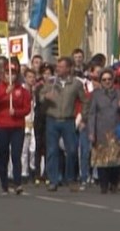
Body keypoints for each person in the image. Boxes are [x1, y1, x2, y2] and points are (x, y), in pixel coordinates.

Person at [38, 57, 88, 192]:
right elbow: (40, 95)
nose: (58, 69)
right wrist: (45, 97)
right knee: (52, 151)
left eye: (61, 66)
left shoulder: (76, 84)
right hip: (52, 119)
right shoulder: (51, 82)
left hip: (68, 120)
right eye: (57, 66)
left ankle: (70, 178)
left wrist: (83, 117)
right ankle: (53, 180)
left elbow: (84, 101)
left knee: (72, 150)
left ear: (68, 68)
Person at [86, 67, 120, 194]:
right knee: (102, 161)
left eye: (109, 79)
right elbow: (92, 114)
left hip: (117, 130)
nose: (107, 81)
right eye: (104, 79)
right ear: (100, 81)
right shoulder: (96, 95)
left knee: (116, 160)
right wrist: (91, 132)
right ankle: (103, 185)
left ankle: (114, 183)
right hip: (101, 131)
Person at [0, 60, 32, 195]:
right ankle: (4, 184)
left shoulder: (23, 91)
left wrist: (16, 112)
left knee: (16, 155)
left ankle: (18, 183)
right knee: (3, 155)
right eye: (8, 74)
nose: (10, 77)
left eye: (13, 74)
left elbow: (27, 108)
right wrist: (5, 92)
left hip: (17, 126)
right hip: (2, 126)